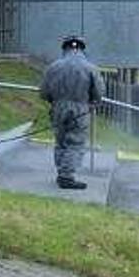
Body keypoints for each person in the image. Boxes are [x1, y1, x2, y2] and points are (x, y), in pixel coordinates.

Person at [39, 36, 105, 190]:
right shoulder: (90, 68)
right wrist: (92, 101)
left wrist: (54, 101)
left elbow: (43, 92)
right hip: (80, 109)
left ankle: (61, 171)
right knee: (75, 142)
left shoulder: (53, 67)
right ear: (82, 49)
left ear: (65, 48)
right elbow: (99, 93)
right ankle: (66, 177)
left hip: (58, 108)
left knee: (60, 141)